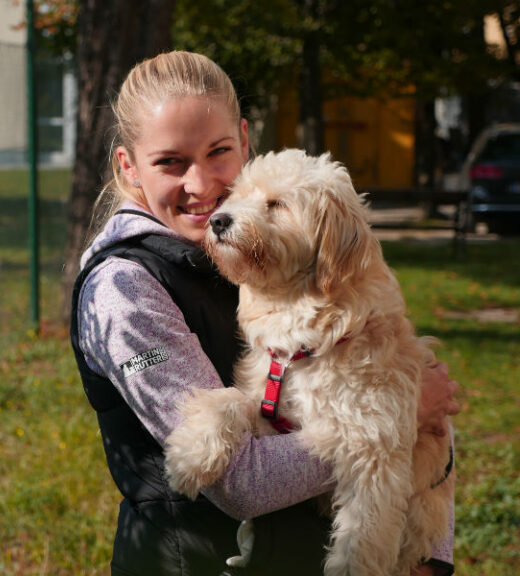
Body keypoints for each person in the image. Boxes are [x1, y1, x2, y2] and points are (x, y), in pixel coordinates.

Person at [69, 51, 459, 576]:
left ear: (246, 143)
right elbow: (241, 483)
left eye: (219, 152)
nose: (201, 184)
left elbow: (413, 391)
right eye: (170, 162)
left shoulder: (273, 256)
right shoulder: (125, 291)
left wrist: (433, 554)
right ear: (128, 167)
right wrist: (398, 419)